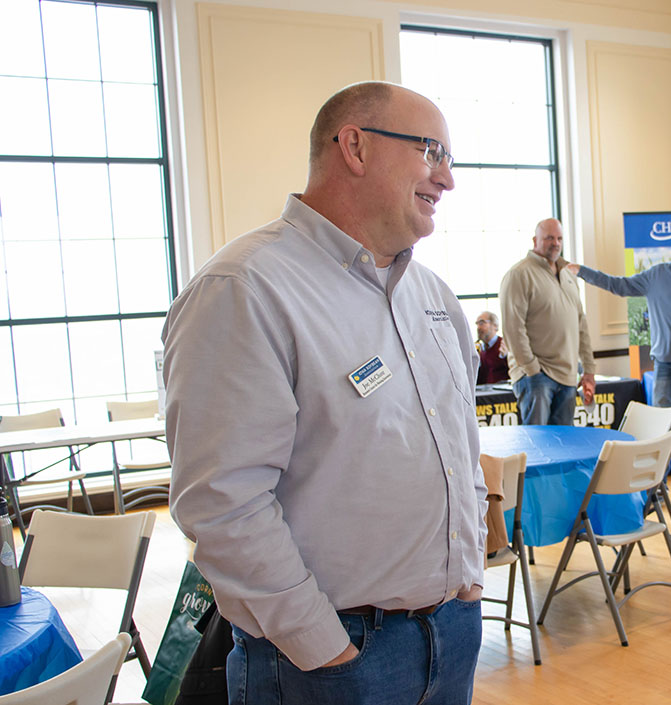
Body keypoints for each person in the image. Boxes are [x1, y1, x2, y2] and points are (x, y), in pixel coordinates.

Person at [163, 82, 487, 705]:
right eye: (430, 151)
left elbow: (459, 452)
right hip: (330, 660)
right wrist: (324, 649)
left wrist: (467, 581)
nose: (447, 180)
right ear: (355, 147)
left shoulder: (436, 298)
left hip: (451, 634)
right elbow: (223, 506)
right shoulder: (246, 290)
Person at [568, 224, 671, 504]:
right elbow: (618, 285)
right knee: (660, 429)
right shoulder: (655, 275)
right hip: (664, 364)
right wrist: (582, 271)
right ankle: (655, 486)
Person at [499, 218, 596, 425]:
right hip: (536, 377)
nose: (556, 243)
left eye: (559, 238)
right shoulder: (518, 275)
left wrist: (589, 370)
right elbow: (513, 329)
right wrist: (532, 369)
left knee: (563, 447)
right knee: (539, 449)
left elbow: (581, 326)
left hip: (568, 377)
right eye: (549, 238)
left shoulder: (569, 276)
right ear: (535, 240)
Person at [474, 310, 509, 385]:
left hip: (502, 394)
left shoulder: (505, 345)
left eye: (481, 323)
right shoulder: (478, 349)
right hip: (484, 394)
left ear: (495, 326)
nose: (478, 327)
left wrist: (506, 356)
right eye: (477, 324)